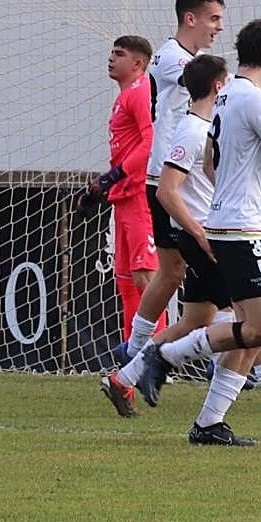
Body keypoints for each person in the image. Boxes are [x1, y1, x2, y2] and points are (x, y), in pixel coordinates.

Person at [135, 19, 261, 440]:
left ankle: (209, 423)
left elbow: (212, 161)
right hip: (242, 231)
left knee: (249, 335)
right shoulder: (251, 98)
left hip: (235, 224)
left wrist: (247, 197)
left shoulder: (225, 95)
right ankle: (165, 355)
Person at [101, 55, 261, 441]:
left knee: (206, 320)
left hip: (218, 233)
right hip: (212, 238)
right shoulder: (193, 129)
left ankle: (127, 376)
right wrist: (199, 232)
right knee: (254, 324)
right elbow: (166, 191)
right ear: (218, 85)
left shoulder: (211, 125)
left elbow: (219, 177)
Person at [118, 0, 224, 363]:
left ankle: (139, 352)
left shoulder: (197, 62)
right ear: (190, 18)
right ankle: (139, 349)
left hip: (194, 179)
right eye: (214, 18)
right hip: (168, 180)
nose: (219, 27)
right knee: (183, 269)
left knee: (182, 272)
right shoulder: (169, 58)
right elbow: (218, 88)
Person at [78, 35, 160, 342]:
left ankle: (153, 355)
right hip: (123, 196)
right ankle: (132, 355)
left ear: (137, 63)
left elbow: (150, 143)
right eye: (112, 52)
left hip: (138, 195)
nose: (111, 58)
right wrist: (104, 184)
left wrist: (113, 176)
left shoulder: (140, 92)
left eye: (119, 54)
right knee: (126, 282)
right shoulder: (124, 95)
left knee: (146, 279)